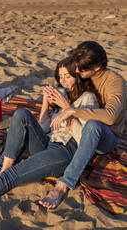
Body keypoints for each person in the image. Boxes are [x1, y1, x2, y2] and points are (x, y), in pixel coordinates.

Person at [0, 56, 99, 209]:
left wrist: (67, 108)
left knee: (12, 176)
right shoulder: (64, 95)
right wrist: (46, 104)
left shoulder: (88, 98)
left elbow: (86, 139)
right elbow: (42, 128)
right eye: (60, 77)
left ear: (78, 77)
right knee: (21, 114)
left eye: (67, 76)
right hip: (47, 143)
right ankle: (1, 168)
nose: (63, 81)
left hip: (63, 151)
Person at [39, 41, 127, 209]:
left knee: (93, 125)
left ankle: (64, 184)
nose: (77, 71)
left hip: (106, 136)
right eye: (77, 66)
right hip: (79, 129)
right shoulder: (84, 73)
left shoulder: (115, 82)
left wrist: (72, 110)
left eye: (82, 68)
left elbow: (110, 117)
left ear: (98, 66)